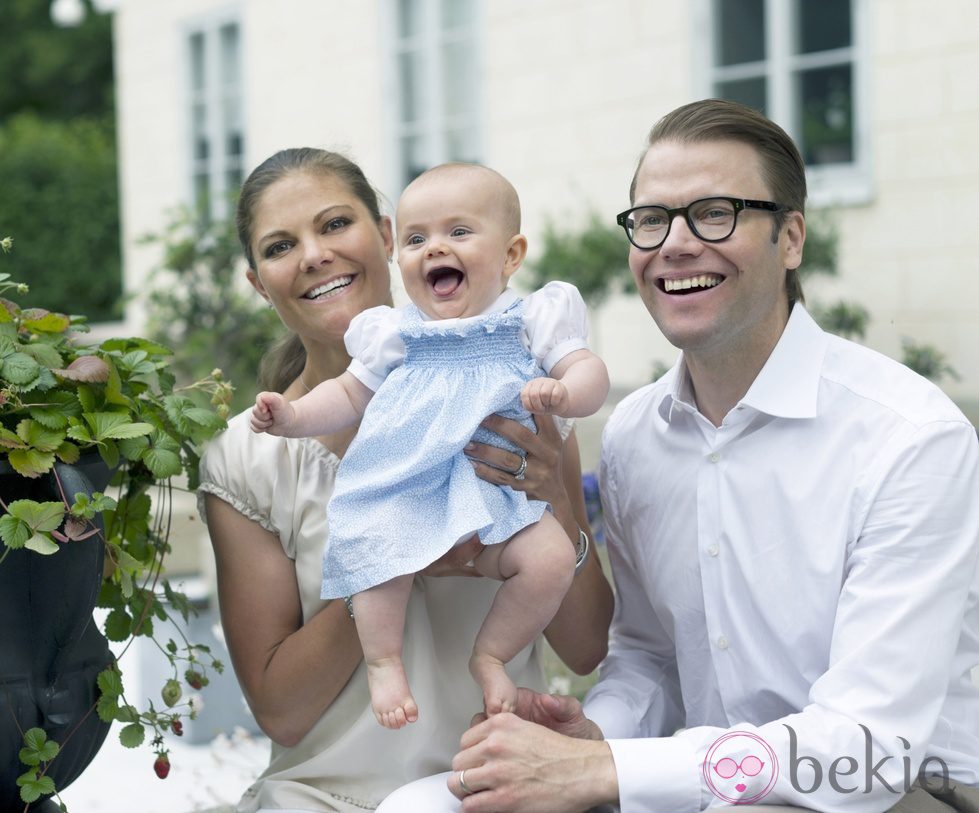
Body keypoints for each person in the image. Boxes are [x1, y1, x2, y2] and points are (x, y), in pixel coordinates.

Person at [379, 99, 979, 813]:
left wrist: (606, 771)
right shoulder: (634, 433)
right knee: (423, 805)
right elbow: (648, 656)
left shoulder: (909, 436)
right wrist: (596, 733)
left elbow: (865, 752)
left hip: (906, 789)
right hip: (699, 782)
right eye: (652, 219)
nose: (676, 244)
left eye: (715, 213)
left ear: (790, 238)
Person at [197, 148, 613, 812]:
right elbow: (281, 711)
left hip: (494, 784)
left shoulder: (515, 396)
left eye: (335, 224)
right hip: (325, 797)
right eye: (281, 245)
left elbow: (585, 647)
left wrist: (558, 503)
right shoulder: (248, 456)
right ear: (258, 282)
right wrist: (394, 555)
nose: (312, 254)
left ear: (384, 237)